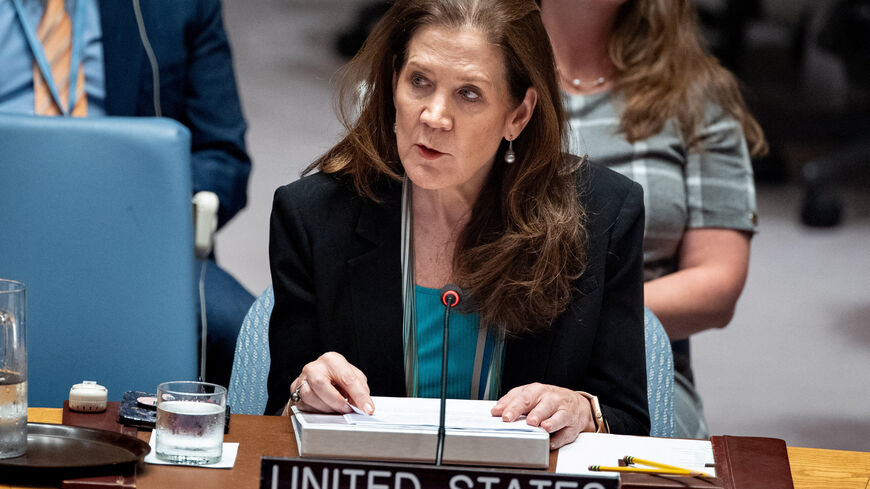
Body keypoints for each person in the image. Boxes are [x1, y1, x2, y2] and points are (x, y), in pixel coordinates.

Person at [266, 0, 649, 448]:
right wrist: (304, 391)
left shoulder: (602, 215)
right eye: (419, 82)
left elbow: (628, 419)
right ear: (392, 83)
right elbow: (278, 414)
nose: (433, 116)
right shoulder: (314, 216)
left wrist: (583, 410)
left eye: (469, 93)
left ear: (518, 115)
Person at [538, 0, 767, 438]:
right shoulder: (468, 77)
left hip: (635, 359)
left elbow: (718, 283)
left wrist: (583, 326)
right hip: (487, 339)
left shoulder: (695, 96)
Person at [0, 0, 254, 388]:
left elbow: (223, 156)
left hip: (137, 242)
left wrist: (146, 203)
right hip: (7, 230)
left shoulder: (175, 8)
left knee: (241, 326)